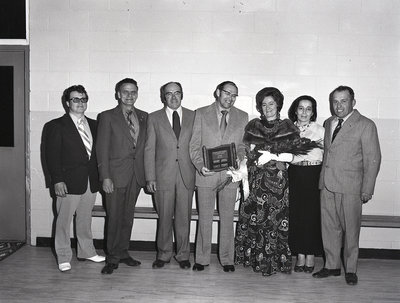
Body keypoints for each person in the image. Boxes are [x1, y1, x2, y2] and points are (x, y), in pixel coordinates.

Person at [313, 86, 381, 285]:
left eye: (343, 101)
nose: (338, 105)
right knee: (329, 228)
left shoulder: (365, 125)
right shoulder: (329, 122)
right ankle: (331, 266)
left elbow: (373, 158)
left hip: (351, 187)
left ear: (353, 102)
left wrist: (367, 189)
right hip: (327, 185)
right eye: (335, 101)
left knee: (351, 231)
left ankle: (350, 269)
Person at [235, 87, 300, 276]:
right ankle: (253, 259)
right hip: (255, 182)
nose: (267, 107)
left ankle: (271, 262)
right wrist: (241, 169)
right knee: (254, 219)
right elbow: (244, 150)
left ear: (278, 104)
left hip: (277, 185)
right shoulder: (253, 125)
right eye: (263, 104)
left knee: (273, 222)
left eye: (271, 103)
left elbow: (296, 156)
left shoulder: (288, 126)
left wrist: (274, 155)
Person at [189, 81, 248, 272]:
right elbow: (194, 145)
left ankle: (227, 259)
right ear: (217, 92)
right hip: (206, 176)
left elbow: (242, 146)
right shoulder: (200, 113)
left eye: (234, 95)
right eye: (227, 93)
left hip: (230, 176)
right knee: (204, 218)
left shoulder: (242, 116)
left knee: (227, 218)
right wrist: (200, 165)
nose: (230, 98)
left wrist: (238, 160)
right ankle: (202, 258)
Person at [45, 85, 105, 272]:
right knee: (63, 220)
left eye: (83, 99)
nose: (80, 103)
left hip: (89, 181)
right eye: (75, 99)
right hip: (67, 182)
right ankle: (63, 256)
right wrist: (57, 180)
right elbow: (51, 156)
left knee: (85, 219)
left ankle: (86, 251)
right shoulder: (55, 126)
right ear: (67, 102)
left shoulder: (95, 125)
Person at [96, 78, 148, 274]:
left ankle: (123, 252)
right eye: (125, 91)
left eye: (133, 91)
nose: (129, 95)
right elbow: (102, 149)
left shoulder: (144, 116)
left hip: (135, 175)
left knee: (127, 217)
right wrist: (105, 176)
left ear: (137, 93)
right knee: (115, 216)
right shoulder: (107, 116)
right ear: (118, 94)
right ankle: (112, 257)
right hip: (115, 176)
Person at [144, 81, 196, 270]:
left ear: (182, 94)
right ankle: (163, 254)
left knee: (184, 218)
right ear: (163, 96)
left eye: (177, 93)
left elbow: (197, 146)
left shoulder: (193, 116)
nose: (173, 97)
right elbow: (149, 149)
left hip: (186, 175)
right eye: (169, 94)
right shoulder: (154, 118)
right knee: (164, 217)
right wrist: (150, 177)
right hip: (162, 176)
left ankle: (183, 255)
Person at [287, 95, 324, 274]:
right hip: (294, 174)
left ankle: (310, 255)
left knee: (311, 215)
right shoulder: (288, 129)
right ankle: (300, 255)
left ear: (313, 112)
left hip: (313, 174)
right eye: (301, 108)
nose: (304, 112)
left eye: (308, 108)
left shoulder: (321, 130)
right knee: (297, 215)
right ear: (295, 110)